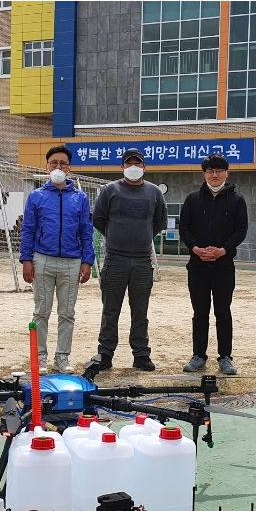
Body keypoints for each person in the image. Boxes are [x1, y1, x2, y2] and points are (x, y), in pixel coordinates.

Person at [86, 149, 167, 372]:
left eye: (137, 163)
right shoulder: (110, 190)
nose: (133, 167)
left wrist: (142, 236)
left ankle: (141, 354)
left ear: (144, 167)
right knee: (110, 310)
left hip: (142, 261)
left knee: (140, 311)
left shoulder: (154, 192)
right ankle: (105, 353)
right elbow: (99, 219)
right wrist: (115, 236)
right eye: (128, 163)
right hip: (115, 259)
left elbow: (159, 222)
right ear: (122, 167)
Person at [20, 145, 96, 374]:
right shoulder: (36, 196)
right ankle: (40, 356)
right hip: (42, 258)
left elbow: (86, 231)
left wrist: (87, 261)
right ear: (47, 167)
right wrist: (26, 259)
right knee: (41, 311)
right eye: (54, 163)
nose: (58, 167)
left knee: (67, 313)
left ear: (69, 168)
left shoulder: (80, 198)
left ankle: (62, 356)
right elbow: (28, 229)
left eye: (63, 163)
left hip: (72, 261)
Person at [178, 153, 248, 375]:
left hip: (223, 266)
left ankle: (225, 357)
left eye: (219, 171)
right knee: (200, 313)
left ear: (227, 173)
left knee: (223, 312)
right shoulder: (193, 199)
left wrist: (223, 250)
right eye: (210, 171)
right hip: (197, 266)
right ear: (204, 174)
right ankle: (198, 355)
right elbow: (184, 228)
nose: (214, 175)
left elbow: (241, 230)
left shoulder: (237, 200)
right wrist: (195, 248)